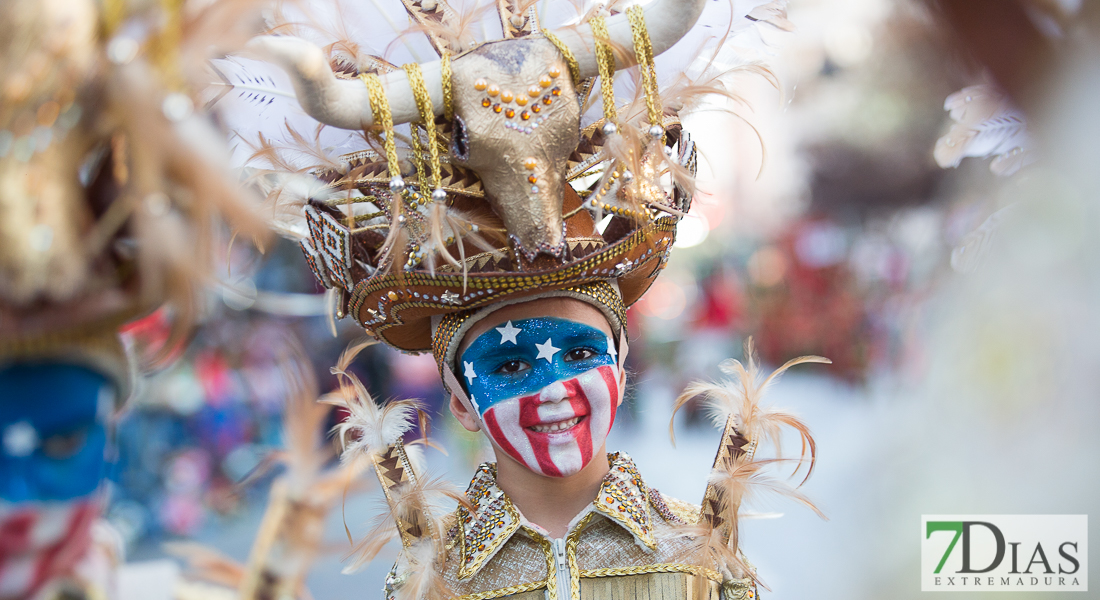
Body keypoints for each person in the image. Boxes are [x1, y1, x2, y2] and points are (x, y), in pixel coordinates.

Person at [227, 0, 824, 597]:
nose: (554, 386)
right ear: (460, 401)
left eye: (579, 354)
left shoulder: (698, 558)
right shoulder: (432, 583)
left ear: (620, 367)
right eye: (509, 365)